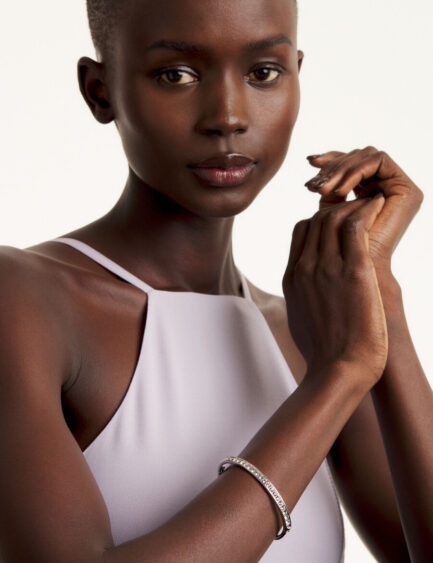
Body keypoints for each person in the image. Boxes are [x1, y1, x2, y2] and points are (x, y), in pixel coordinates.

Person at [0, 0, 432, 561]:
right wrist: (339, 377)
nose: (228, 115)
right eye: (176, 75)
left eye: (263, 72)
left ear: (296, 74)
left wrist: (376, 292)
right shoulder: (25, 300)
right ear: (99, 91)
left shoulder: (311, 332)